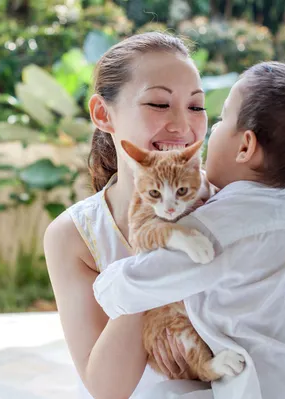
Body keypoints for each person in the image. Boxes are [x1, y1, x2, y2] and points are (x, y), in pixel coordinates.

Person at [93, 61, 285, 399]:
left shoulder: (219, 228)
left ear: (245, 146)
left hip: (261, 387)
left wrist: (107, 281)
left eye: (220, 119)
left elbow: (125, 290)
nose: (207, 130)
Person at [44, 32, 213, 398]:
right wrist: (152, 281)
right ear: (104, 114)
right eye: (158, 103)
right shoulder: (76, 235)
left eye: (197, 107)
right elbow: (107, 388)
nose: (183, 125)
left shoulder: (224, 203)